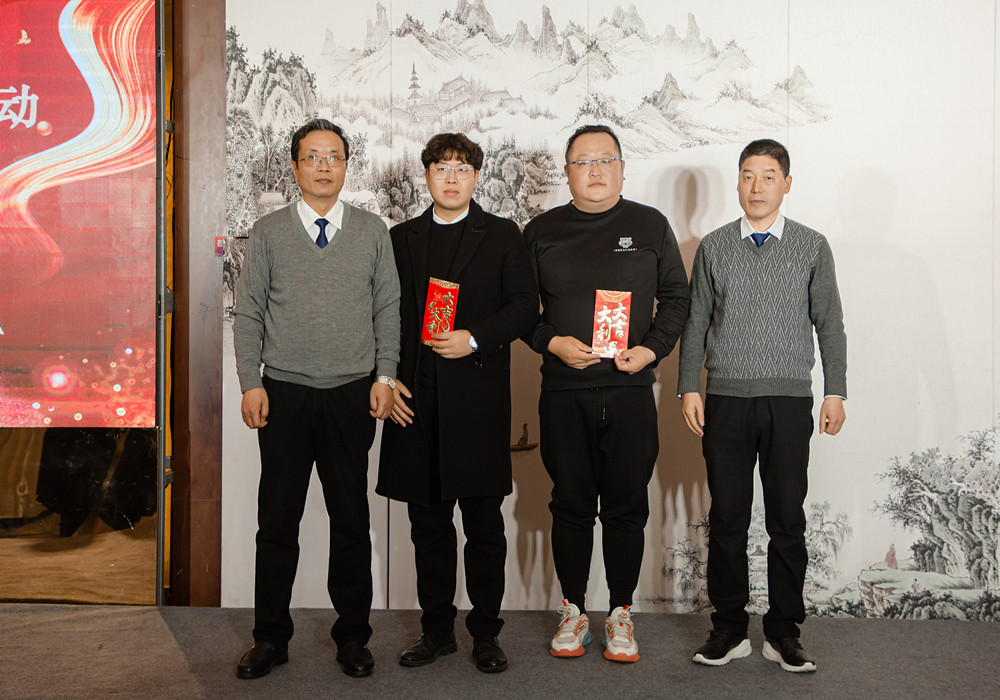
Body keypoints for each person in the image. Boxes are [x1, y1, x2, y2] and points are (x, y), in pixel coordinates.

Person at [232, 118, 400, 680]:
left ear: (346, 166)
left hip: (352, 394)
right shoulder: (268, 232)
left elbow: (387, 308)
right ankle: (269, 638)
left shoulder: (372, 231)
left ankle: (352, 637)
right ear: (295, 166)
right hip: (284, 394)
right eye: (313, 157)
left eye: (334, 157)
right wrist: (250, 382)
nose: (324, 166)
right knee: (277, 521)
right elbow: (249, 312)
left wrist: (385, 376)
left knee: (350, 519)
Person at [678, 138, 847, 673]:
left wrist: (836, 391)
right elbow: (696, 321)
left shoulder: (812, 246)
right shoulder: (714, 246)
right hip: (726, 400)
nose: (757, 186)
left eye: (769, 176)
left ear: (786, 184)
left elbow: (830, 322)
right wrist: (688, 386)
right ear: (738, 183)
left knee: (786, 520)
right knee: (727, 518)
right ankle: (729, 629)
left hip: (789, 401)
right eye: (748, 175)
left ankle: (783, 632)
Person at [524, 124, 690, 662]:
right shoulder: (541, 231)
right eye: (583, 161)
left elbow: (677, 297)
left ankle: (621, 612)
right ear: (566, 171)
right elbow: (519, 309)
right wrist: (551, 343)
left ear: (622, 168)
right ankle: (573, 611)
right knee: (569, 505)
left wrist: (652, 350)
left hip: (629, 392)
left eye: (605, 160)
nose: (595, 170)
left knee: (626, 506)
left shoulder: (649, 224)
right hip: (564, 391)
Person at [377, 133, 538, 674]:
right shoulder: (401, 238)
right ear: (426, 175)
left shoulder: (502, 235)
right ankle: (437, 631)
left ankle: (486, 634)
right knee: (429, 528)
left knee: (484, 527)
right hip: (415, 401)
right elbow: (385, 313)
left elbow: (524, 307)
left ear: (476, 177)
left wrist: (474, 337)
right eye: (441, 167)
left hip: (477, 401)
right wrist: (388, 380)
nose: (451, 177)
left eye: (462, 168)